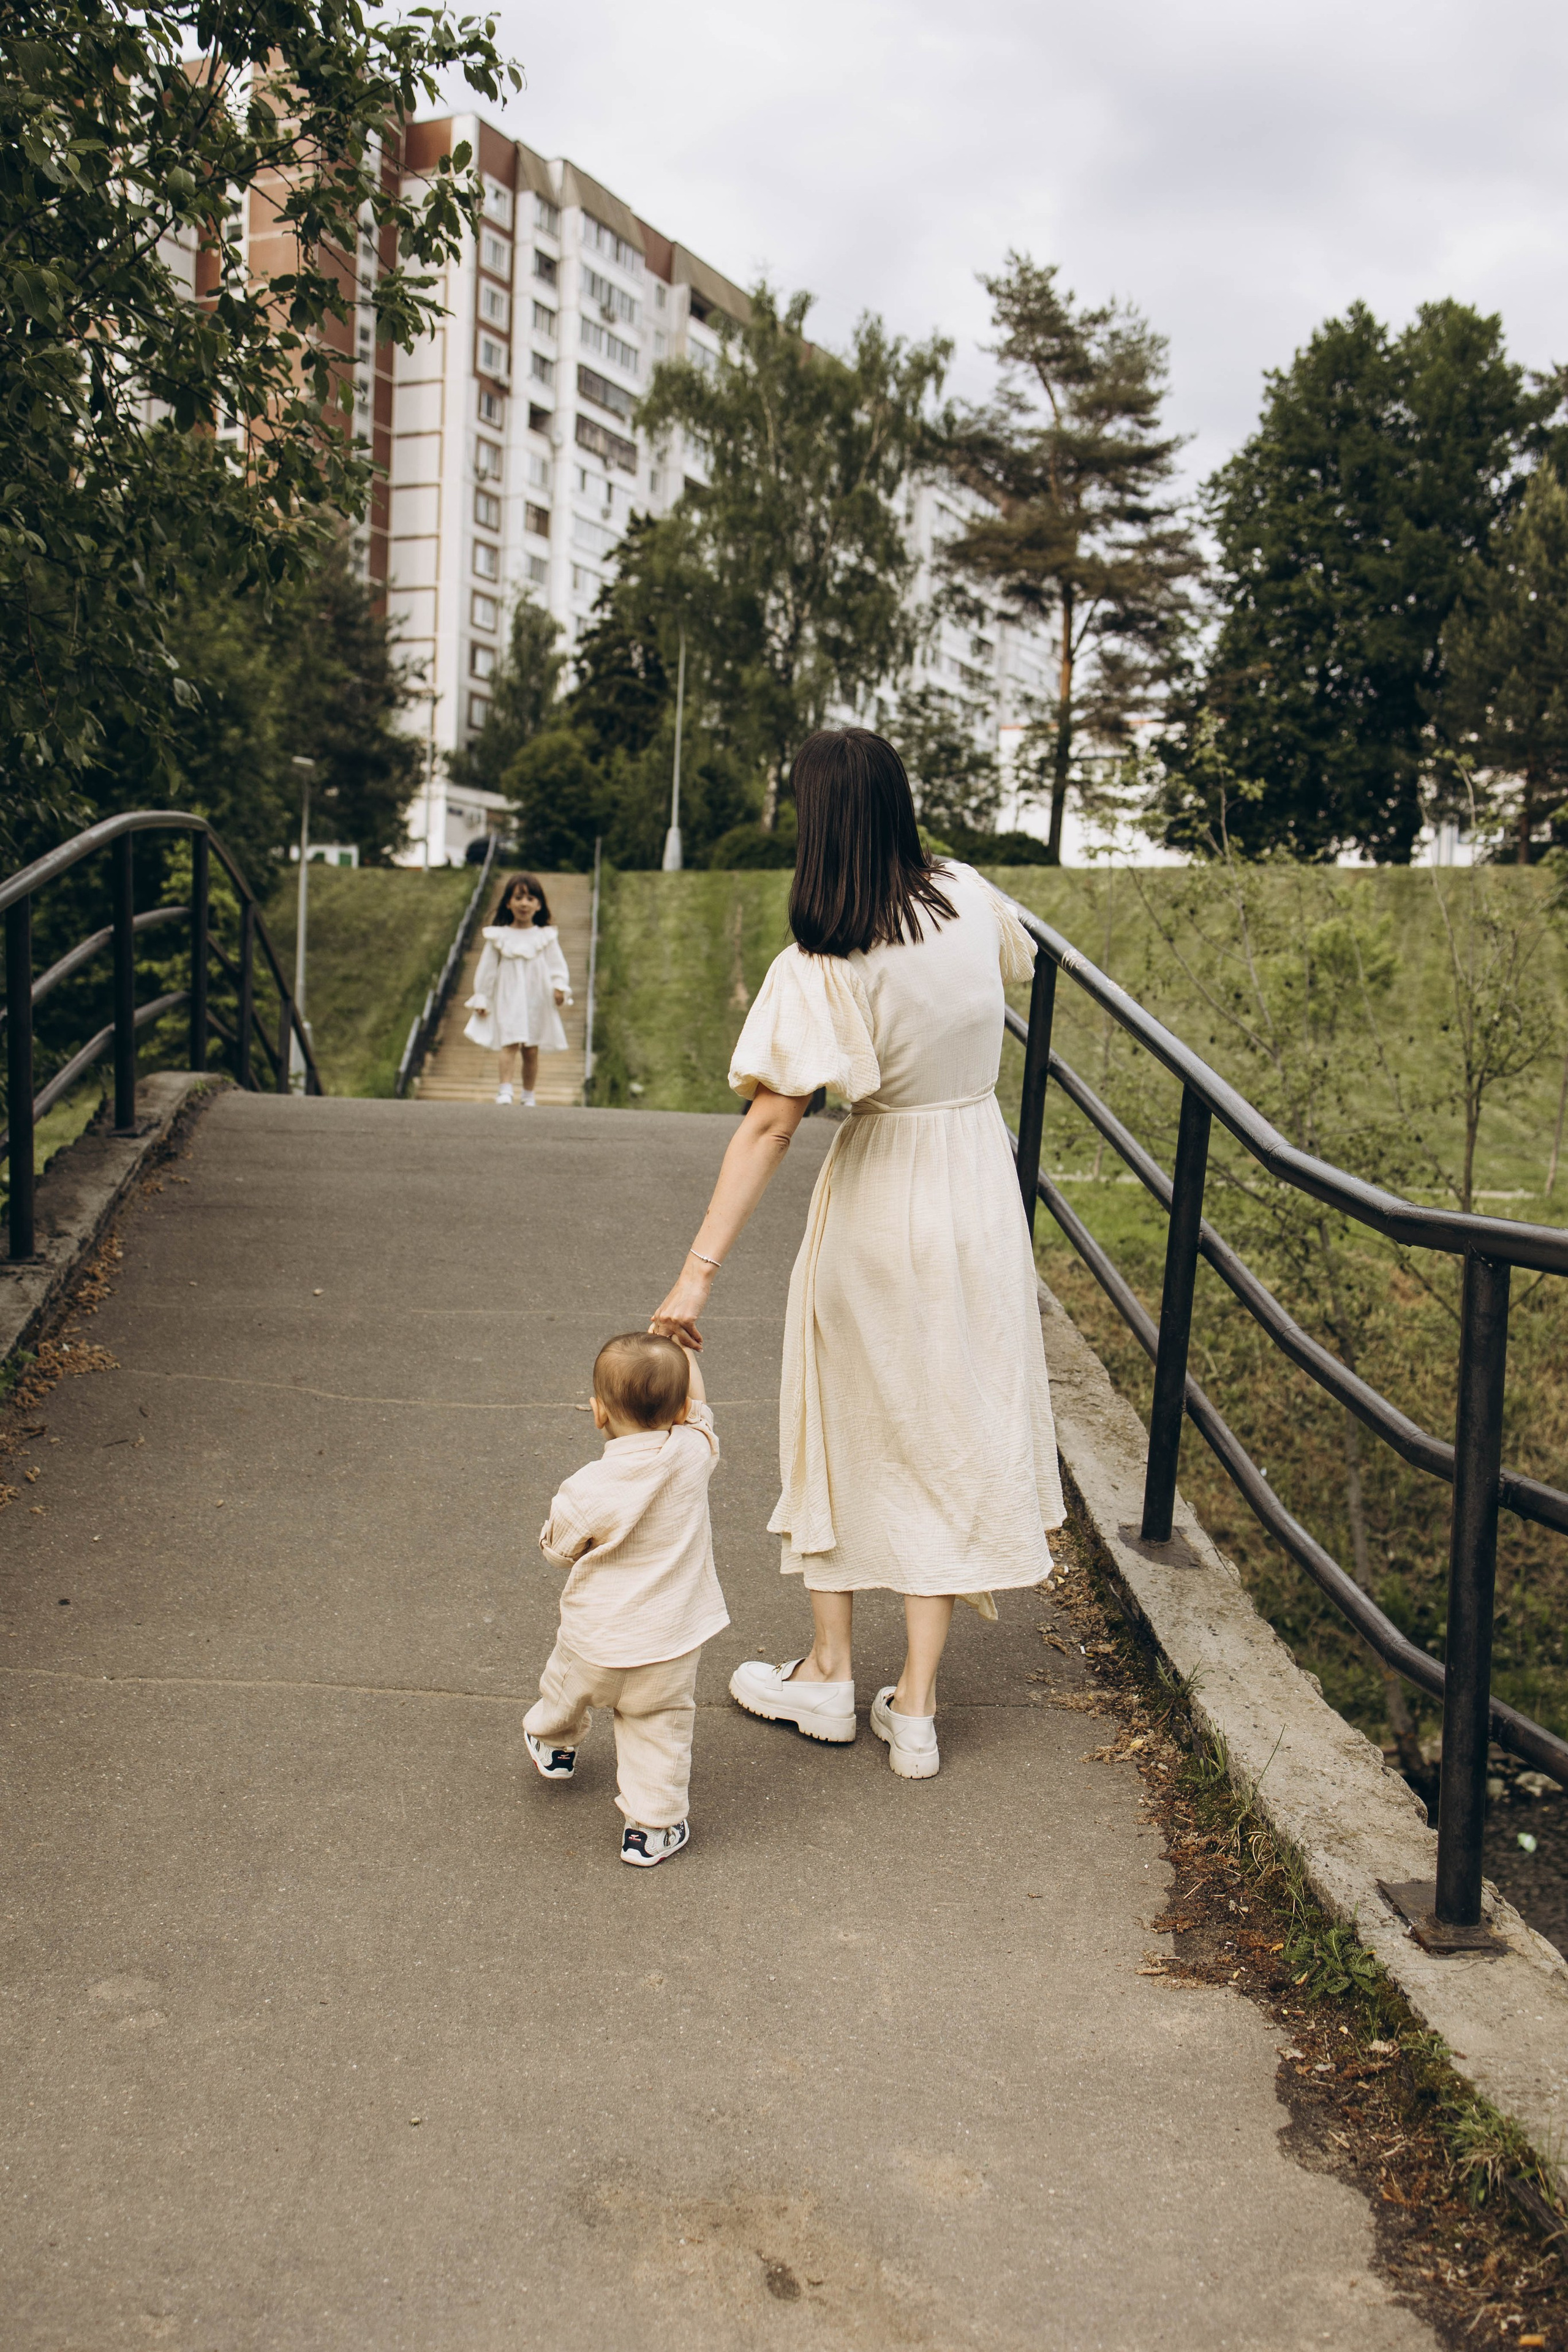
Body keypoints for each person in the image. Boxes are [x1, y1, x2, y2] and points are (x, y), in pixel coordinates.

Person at [650, 728, 1064, 1782]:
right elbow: (1022, 962)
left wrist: (697, 1272)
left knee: (838, 1423)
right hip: (977, 1179)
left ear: (816, 820)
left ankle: (830, 1673)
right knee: (949, 1426)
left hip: (885, 1192)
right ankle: (916, 1709)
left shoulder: (824, 954)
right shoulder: (970, 895)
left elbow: (772, 1124)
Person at [525, 1332, 726, 1867]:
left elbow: (559, 1551)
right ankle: (651, 1830)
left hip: (597, 1641)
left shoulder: (587, 1487)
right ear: (682, 1410)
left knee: (564, 1687)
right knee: (659, 1733)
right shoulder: (692, 1453)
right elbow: (699, 1410)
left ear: (597, 1414)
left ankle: (555, 1743)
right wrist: (679, 1348)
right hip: (670, 1646)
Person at [464, 873, 571, 1106]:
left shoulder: (545, 936)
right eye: (519, 897)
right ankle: (505, 1089)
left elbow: (557, 966)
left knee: (531, 1048)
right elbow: (488, 969)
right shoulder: (498, 936)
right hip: (509, 996)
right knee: (510, 1042)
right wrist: (483, 997)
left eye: (531, 898)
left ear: (539, 905)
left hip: (536, 997)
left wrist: (559, 987)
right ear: (508, 902)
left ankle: (529, 1094)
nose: (524, 903)